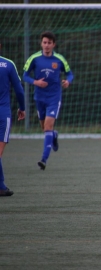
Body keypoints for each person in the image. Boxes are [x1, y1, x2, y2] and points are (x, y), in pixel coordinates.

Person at [23, 31, 73, 170]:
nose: (46, 45)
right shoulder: (34, 58)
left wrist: (68, 81)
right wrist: (36, 82)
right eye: (44, 42)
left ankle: (43, 159)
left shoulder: (59, 59)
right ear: (41, 43)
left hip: (54, 97)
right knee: (44, 128)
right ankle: (54, 135)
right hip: (39, 97)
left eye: (49, 43)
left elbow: (70, 73)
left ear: (53, 44)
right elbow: (25, 75)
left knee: (48, 127)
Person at [0, 40, 26, 196]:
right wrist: (22, 108)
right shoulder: (8, 64)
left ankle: (1, 186)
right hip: (3, 115)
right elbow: (19, 91)